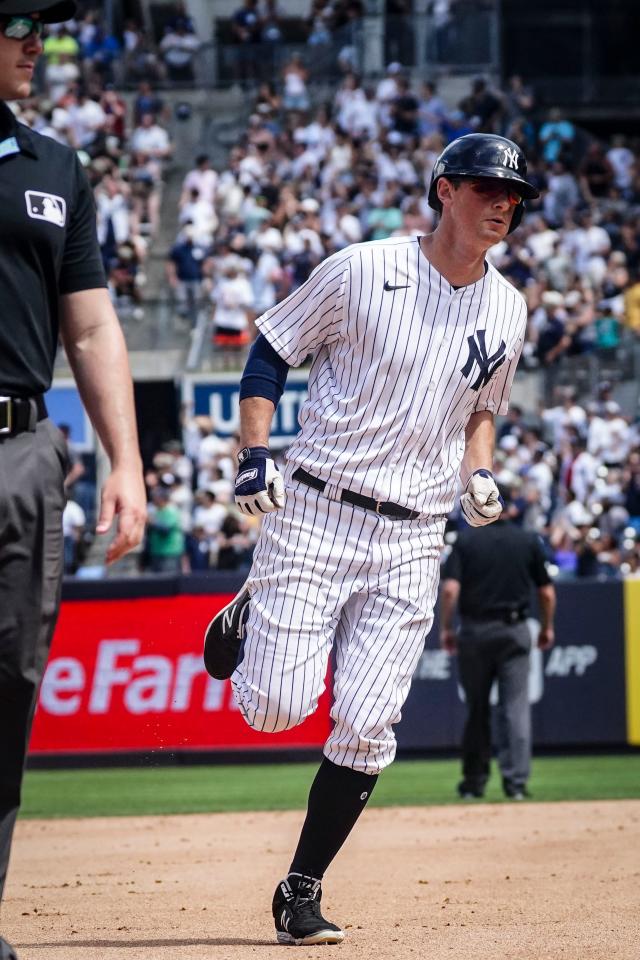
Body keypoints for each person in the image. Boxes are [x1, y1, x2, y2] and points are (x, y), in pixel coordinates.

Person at [202, 133, 539, 945]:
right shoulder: (362, 270)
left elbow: (482, 406)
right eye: (489, 187)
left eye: (515, 194)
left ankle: (300, 890)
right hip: (318, 508)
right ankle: (245, 617)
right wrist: (254, 457)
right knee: (275, 710)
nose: (504, 203)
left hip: (416, 535)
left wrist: (479, 471)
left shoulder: (509, 305)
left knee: (367, 725)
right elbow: (271, 349)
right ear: (444, 189)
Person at [0, 5, 147, 959]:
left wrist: (125, 463)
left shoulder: (55, 167)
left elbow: (89, 329)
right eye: (18, 23)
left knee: (8, 681)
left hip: (21, 450)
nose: (37, 43)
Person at [439, 489, 556, 801]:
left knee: (477, 708)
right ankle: (516, 784)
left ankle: (474, 783)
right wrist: (546, 628)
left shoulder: (465, 541)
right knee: (515, 709)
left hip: (475, 631)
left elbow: (450, 590)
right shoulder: (528, 541)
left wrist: (447, 628)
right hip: (515, 628)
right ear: (510, 509)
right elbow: (546, 593)